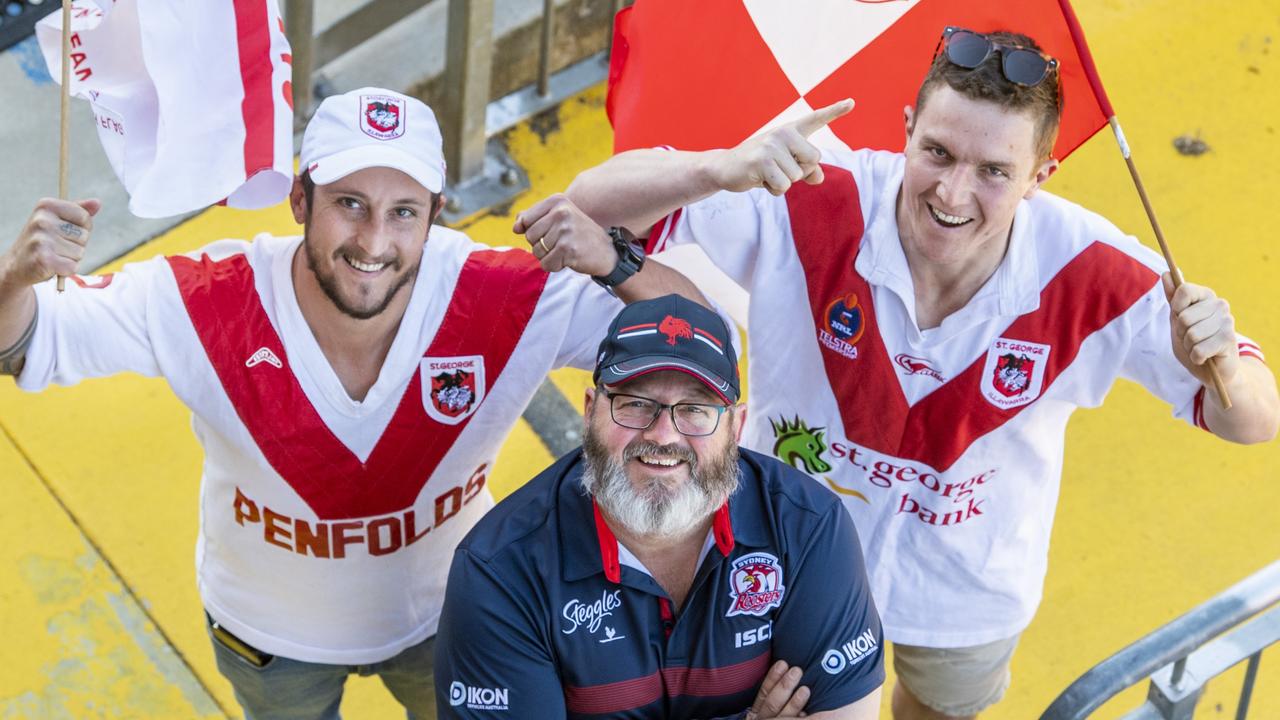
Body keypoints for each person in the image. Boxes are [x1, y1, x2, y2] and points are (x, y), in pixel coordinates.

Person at [562, 28, 1280, 720]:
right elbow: (589, 202)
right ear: (905, 128)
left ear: (1041, 176)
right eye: (937, 152)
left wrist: (1218, 363)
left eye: (995, 171)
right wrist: (714, 168)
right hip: (787, 563)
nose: (952, 194)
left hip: (968, 590)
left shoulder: (1095, 270)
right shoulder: (815, 192)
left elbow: (1253, 421)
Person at [0, 87, 693, 720]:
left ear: (435, 217)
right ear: (302, 201)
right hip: (271, 643)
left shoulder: (503, 294)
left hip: (453, 621)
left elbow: (698, 351)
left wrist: (613, 259)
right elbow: (24, 344)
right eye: (349, 204)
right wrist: (15, 278)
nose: (373, 242)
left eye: (402, 213)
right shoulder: (203, 298)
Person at [434, 294, 884, 719]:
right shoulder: (498, 571)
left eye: (695, 410)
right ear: (590, 411)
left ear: (737, 427)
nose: (663, 435)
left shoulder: (808, 526)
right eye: (635, 404)